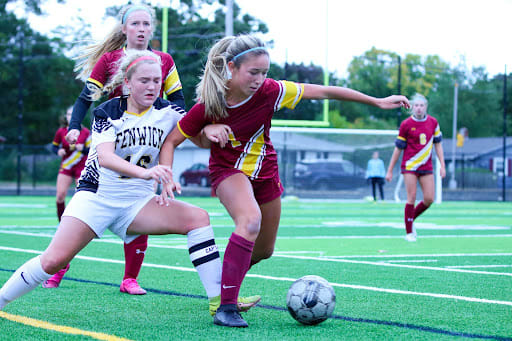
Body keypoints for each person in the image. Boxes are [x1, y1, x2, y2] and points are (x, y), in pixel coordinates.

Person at [159, 34, 410, 327]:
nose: (260, 79)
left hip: (266, 173)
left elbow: (325, 91)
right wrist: (167, 173)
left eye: (264, 72)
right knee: (249, 221)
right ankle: (226, 307)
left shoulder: (271, 91)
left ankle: (225, 285)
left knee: (264, 250)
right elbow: (172, 141)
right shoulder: (210, 104)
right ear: (231, 67)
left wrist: (376, 101)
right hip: (228, 171)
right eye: (253, 72)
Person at [0, 50, 258, 326]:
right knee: (52, 261)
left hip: (136, 203)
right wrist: (149, 173)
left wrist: (207, 130)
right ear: (127, 83)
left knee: (198, 219)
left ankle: (219, 303)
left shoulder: (169, 111)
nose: (151, 86)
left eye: (157, 81)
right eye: (144, 80)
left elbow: (194, 133)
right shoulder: (108, 111)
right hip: (97, 197)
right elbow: (107, 158)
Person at [64, 3, 185, 295]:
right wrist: (73, 126)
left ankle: (130, 278)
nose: (142, 30)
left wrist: (175, 131)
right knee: (85, 207)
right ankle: (59, 264)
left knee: (140, 206)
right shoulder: (109, 60)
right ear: (124, 29)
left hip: (145, 144)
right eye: (136, 24)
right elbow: (85, 98)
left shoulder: (164, 60)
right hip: (109, 141)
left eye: (146, 25)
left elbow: (179, 102)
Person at [385, 93, 446, 242]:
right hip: (410, 166)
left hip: (426, 166)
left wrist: (442, 165)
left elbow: (438, 144)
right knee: (411, 197)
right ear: (412, 107)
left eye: (421, 105)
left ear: (426, 107)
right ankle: (409, 232)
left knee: (429, 199)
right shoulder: (406, 124)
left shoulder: (433, 122)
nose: (419, 108)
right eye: (416, 105)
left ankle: (410, 219)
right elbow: (398, 148)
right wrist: (390, 169)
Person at [44, 107, 91, 288]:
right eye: (69, 114)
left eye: (74, 113)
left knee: (82, 198)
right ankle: (61, 224)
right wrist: (58, 152)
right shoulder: (62, 131)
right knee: (60, 196)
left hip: (81, 167)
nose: (72, 116)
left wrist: (83, 148)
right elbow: (54, 147)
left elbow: (92, 149)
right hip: (67, 166)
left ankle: (80, 224)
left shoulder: (86, 132)